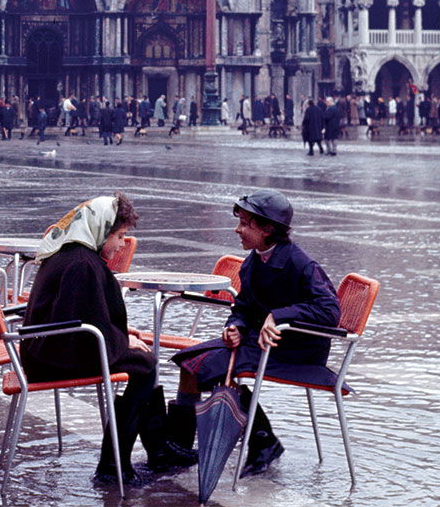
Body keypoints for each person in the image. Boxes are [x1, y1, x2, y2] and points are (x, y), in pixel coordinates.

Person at [22, 194, 195, 485]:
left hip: (43, 349)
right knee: (145, 365)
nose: (122, 244)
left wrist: (120, 337)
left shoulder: (69, 252)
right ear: (100, 231)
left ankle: (156, 450)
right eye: (120, 235)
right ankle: (114, 465)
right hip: (52, 357)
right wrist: (122, 341)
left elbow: (81, 314)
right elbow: (86, 324)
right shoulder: (82, 263)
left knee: (142, 360)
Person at [173, 189, 340, 478]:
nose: (237, 229)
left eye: (245, 224)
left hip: (297, 351)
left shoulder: (301, 263)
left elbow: (329, 311)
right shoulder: (253, 261)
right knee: (188, 362)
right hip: (263, 344)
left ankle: (259, 440)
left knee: (202, 367)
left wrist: (280, 315)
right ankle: (184, 447)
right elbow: (244, 307)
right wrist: (234, 327)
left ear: (268, 229)